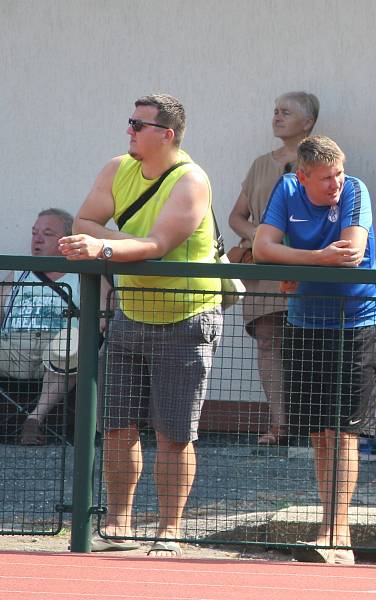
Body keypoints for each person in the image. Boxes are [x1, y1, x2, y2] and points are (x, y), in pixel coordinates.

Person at [60, 93, 223, 557]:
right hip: (131, 311)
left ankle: (169, 529)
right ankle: (118, 522)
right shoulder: (117, 168)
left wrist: (104, 246)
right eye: (130, 121)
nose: (128, 129)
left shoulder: (191, 180)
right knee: (116, 426)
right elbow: (84, 221)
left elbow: (158, 246)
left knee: (174, 434)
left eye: (138, 124)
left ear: (166, 134)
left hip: (186, 319)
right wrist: (115, 241)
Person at [253, 135, 376, 565]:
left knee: (345, 431)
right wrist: (312, 259)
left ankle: (338, 533)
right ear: (302, 176)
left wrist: (291, 262)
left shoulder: (356, 190)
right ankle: (326, 525)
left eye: (339, 174)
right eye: (326, 178)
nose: (336, 184)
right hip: (306, 320)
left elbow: (351, 252)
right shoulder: (286, 189)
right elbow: (261, 248)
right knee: (318, 432)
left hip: (355, 321)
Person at [228, 91, 319, 446]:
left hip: (306, 262)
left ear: (308, 122)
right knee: (268, 340)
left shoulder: (322, 159)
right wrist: (261, 237)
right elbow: (237, 215)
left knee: (312, 343)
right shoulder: (260, 164)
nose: (277, 117)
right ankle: (279, 425)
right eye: (275, 111)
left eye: (286, 112)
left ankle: (315, 426)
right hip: (265, 265)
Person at [0, 209, 80, 445]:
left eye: (47, 233)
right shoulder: (19, 272)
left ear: (66, 240)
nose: (37, 239)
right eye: (34, 232)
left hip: (59, 350)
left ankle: (34, 420)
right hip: (13, 349)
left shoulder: (84, 276)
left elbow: (104, 320)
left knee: (75, 343)